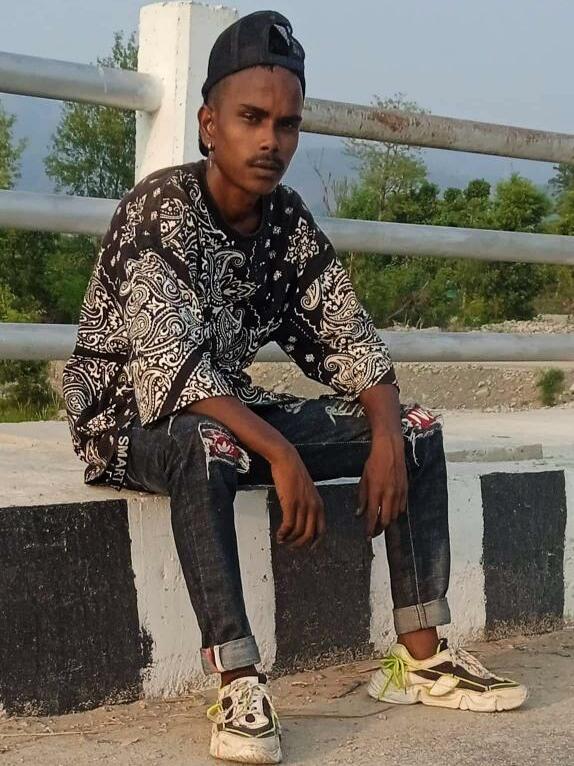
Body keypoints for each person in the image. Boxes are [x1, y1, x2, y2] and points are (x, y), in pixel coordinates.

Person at [63, 10, 527, 764]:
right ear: (209, 125)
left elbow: (353, 341)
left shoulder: (286, 222)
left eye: (286, 124)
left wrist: (384, 437)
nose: (270, 141)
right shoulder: (159, 209)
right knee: (208, 443)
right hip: (132, 418)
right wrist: (281, 454)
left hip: (229, 408)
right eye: (250, 118)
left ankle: (419, 656)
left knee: (413, 428)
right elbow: (173, 371)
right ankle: (238, 679)